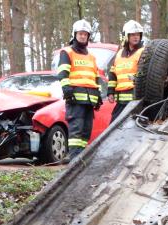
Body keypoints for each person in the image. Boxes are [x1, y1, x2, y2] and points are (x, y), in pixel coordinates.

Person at [57, 19, 102, 162]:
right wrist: (67, 89)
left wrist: (98, 95)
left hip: (89, 100)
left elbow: (95, 78)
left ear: (88, 36)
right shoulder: (67, 52)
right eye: (80, 34)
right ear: (74, 34)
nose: (83, 36)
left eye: (85, 34)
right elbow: (62, 72)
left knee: (85, 133)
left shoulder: (92, 57)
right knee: (76, 132)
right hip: (75, 99)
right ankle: (74, 161)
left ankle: (80, 159)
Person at [108, 20, 145, 122]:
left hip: (136, 101)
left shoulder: (144, 52)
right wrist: (110, 92)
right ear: (126, 36)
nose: (136, 37)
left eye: (138, 34)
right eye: (132, 34)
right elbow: (112, 74)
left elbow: (146, 74)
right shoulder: (119, 54)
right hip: (120, 102)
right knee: (113, 128)